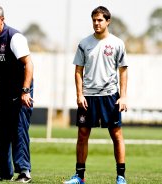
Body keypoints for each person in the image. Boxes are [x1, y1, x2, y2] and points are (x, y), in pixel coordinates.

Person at [64, 6, 128, 184]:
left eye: (100, 20)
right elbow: (78, 70)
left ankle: (121, 177)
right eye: (94, 20)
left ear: (108, 21)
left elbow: (123, 71)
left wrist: (123, 96)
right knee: (82, 134)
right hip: (88, 97)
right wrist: (79, 94)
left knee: (116, 135)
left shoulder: (117, 43)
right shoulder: (84, 43)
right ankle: (79, 176)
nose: (96, 23)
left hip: (110, 96)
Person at [0, 5, 34, 183]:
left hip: (21, 90)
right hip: (2, 89)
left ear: (2, 19)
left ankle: (24, 172)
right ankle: (4, 172)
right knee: (0, 131)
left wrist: (25, 91)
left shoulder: (14, 37)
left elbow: (29, 64)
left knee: (18, 131)